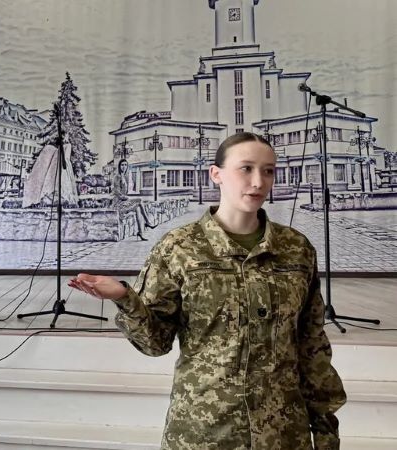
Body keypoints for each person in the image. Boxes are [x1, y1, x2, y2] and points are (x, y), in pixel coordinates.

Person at [69, 132, 346, 449]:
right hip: (204, 432)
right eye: (246, 168)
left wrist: (326, 433)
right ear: (216, 174)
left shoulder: (296, 249)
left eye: (268, 170)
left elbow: (312, 348)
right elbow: (156, 343)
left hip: (283, 434)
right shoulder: (179, 247)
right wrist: (124, 298)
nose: (258, 181)